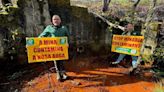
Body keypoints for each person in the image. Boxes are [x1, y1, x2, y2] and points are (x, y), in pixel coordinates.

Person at [39, 15, 70, 82]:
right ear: (52, 21)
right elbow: (42, 36)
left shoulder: (64, 28)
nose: (56, 20)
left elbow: (68, 37)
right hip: (53, 48)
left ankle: (63, 73)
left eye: (57, 19)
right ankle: (58, 74)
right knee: (56, 61)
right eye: (54, 19)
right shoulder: (49, 28)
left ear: (60, 20)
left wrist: (67, 43)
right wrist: (33, 44)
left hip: (62, 48)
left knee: (61, 60)